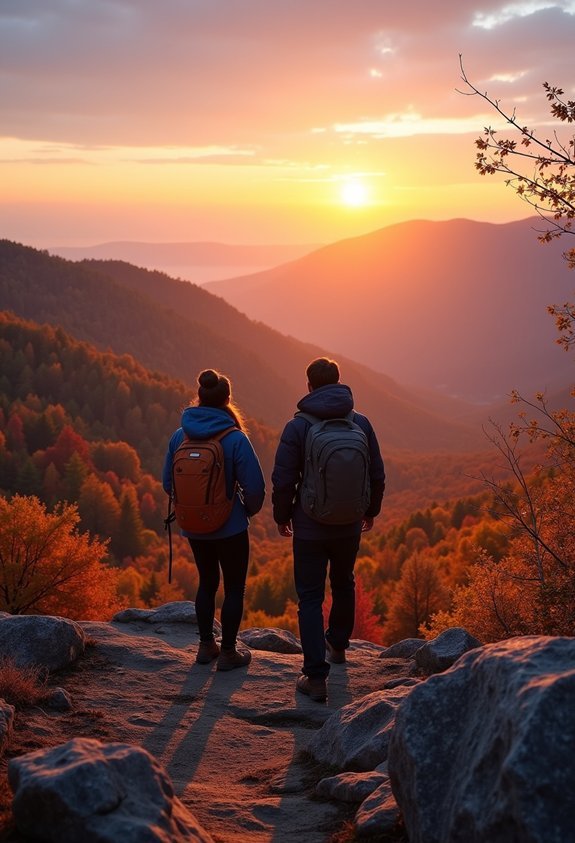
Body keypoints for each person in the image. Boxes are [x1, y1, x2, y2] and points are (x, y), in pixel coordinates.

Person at [272, 357, 385, 701]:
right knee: (344, 581)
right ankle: (337, 646)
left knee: (309, 595)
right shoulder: (360, 422)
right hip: (349, 522)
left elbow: (283, 479)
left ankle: (315, 677)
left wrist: (282, 516)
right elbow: (377, 474)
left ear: (309, 386)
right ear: (339, 382)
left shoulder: (298, 427)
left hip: (309, 524)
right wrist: (370, 511)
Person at [163, 369, 265, 671]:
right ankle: (229, 652)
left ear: (199, 398)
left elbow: (169, 483)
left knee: (207, 582)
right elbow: (256, 488)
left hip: (193, 525)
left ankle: (206, 646)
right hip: (230, 526)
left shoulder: (179, 436)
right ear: (227, 399)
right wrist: (244, 511)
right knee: (234, 588)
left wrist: (193, 507)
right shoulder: (235, 439)